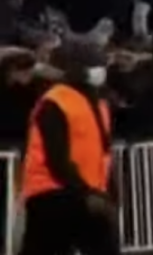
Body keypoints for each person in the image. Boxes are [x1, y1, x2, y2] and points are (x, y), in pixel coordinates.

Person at [19, 41, 117, 255]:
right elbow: (57, 158)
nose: (100, 71)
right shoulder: (55, 101)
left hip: (85, 195)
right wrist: (88, 193)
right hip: (51, 194)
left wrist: (104, 193)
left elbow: (103, 153)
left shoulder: (99, 104)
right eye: (94, 64)